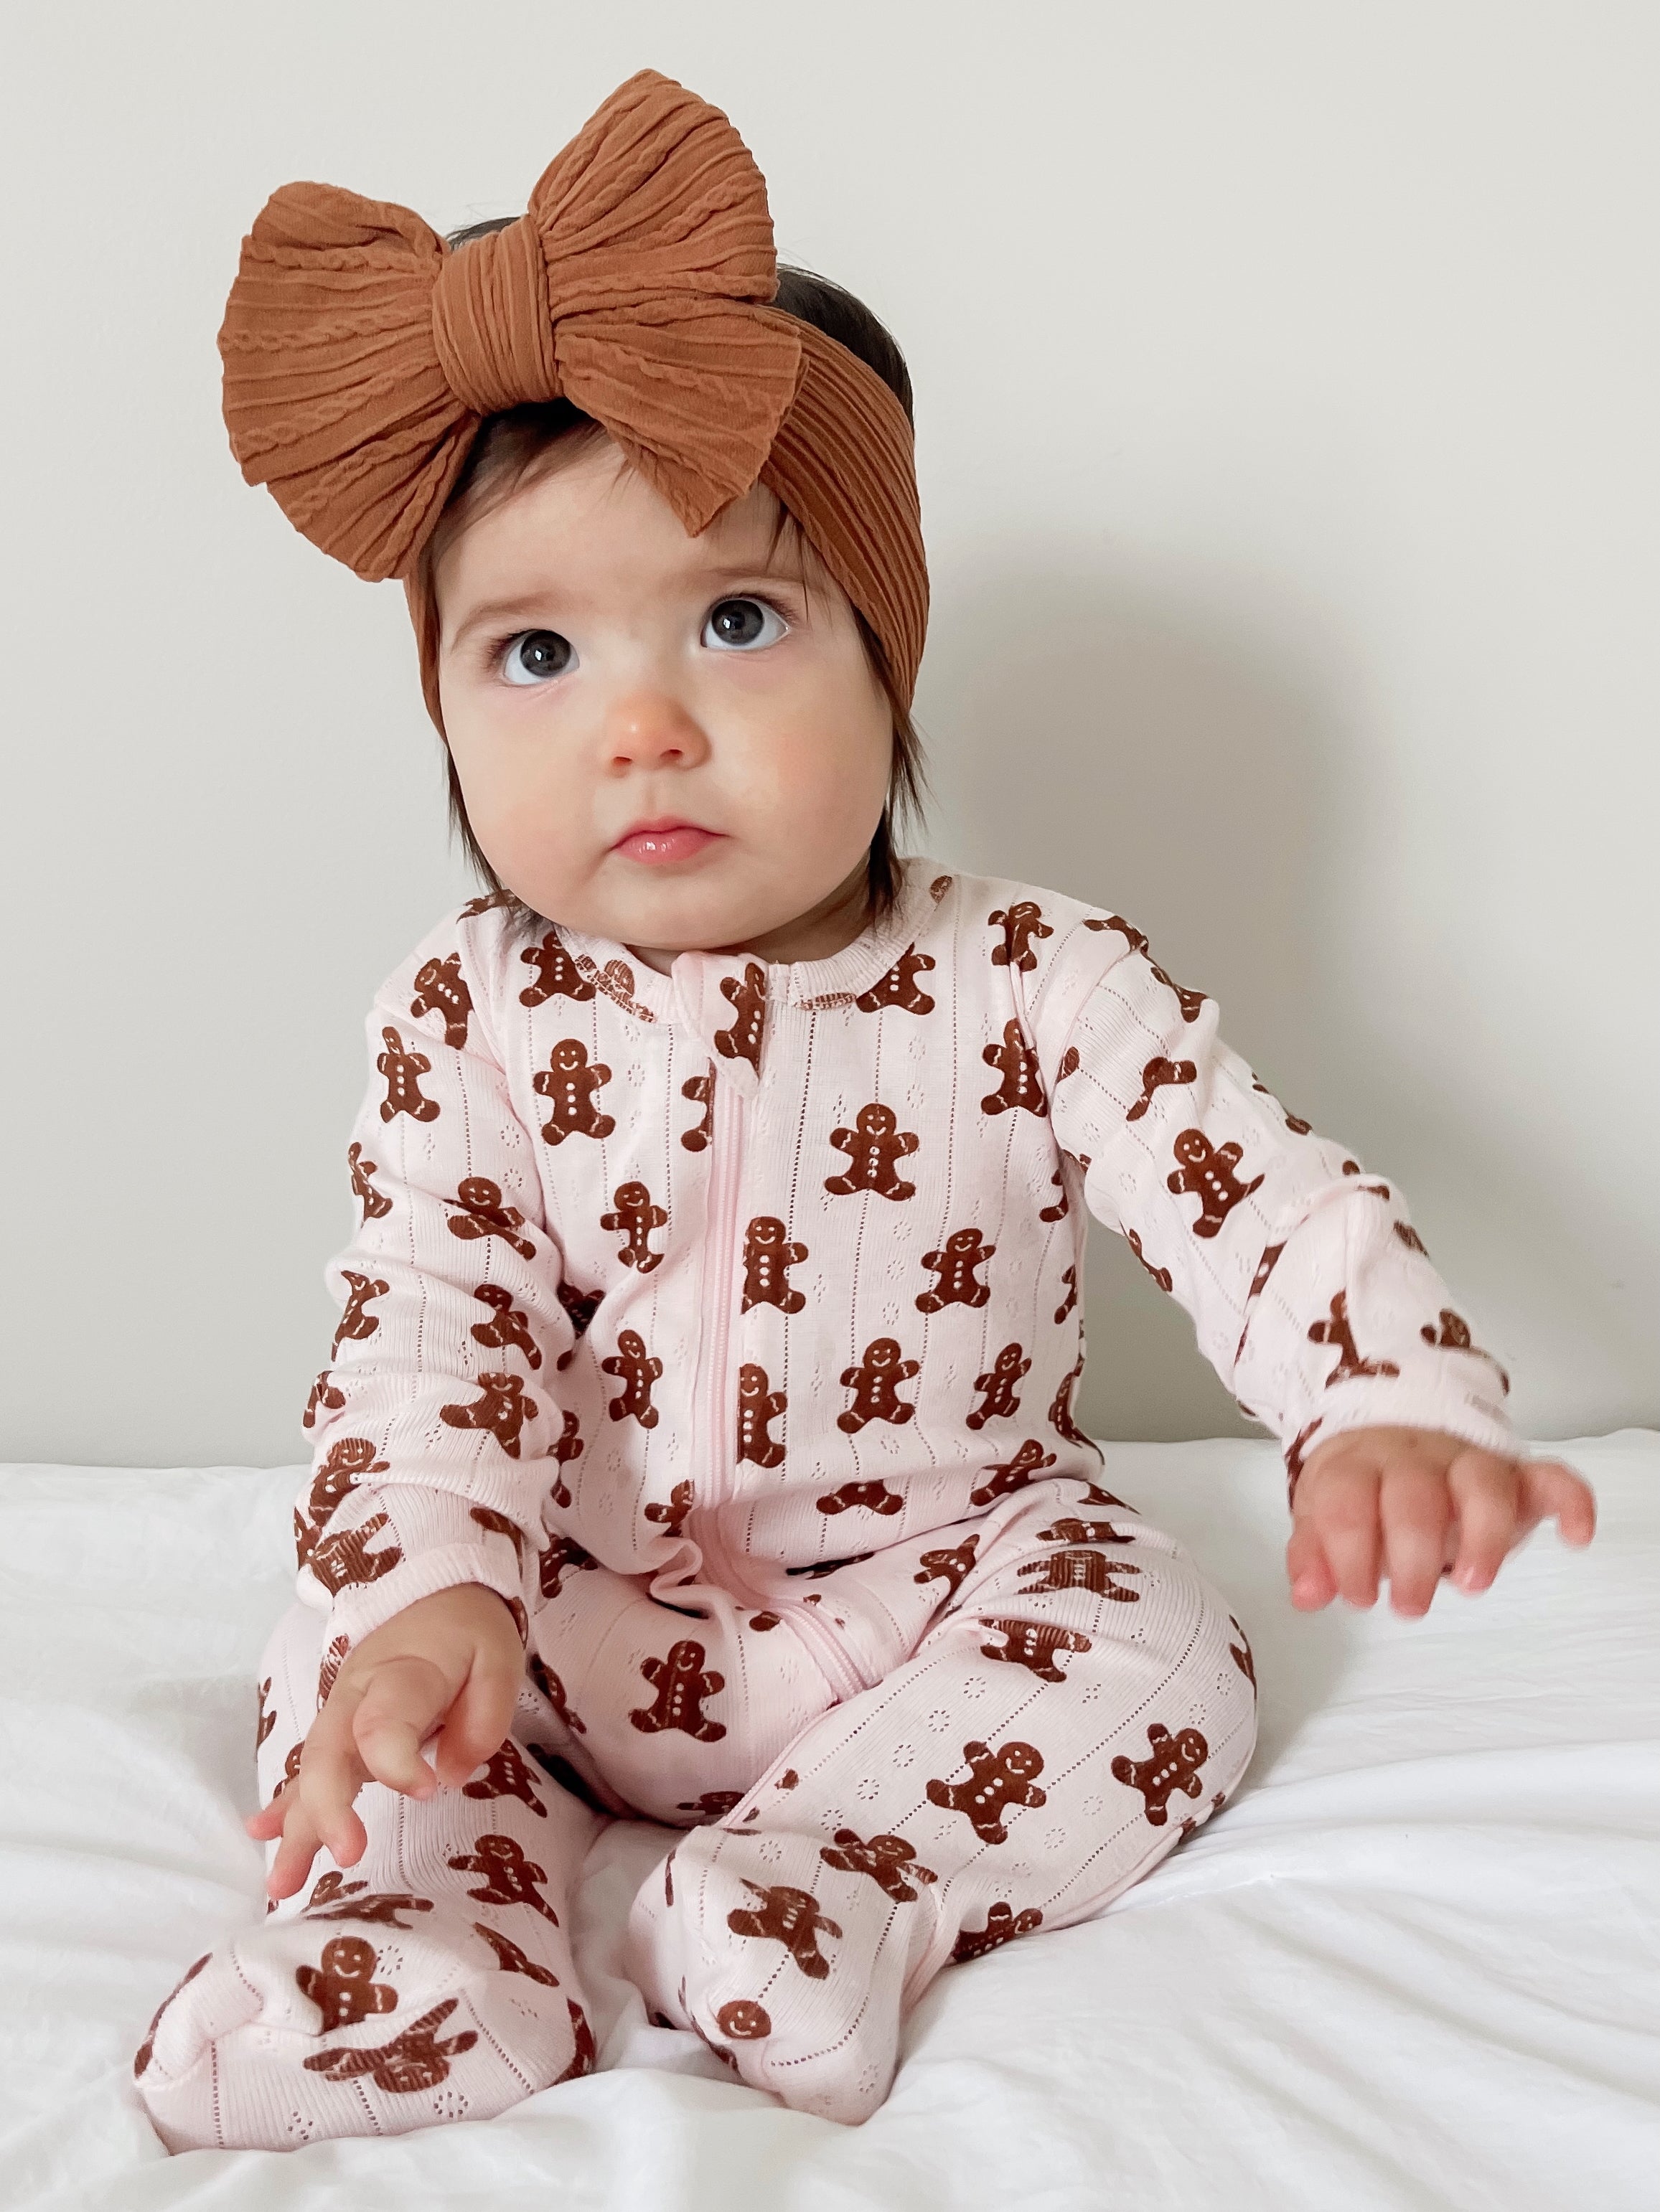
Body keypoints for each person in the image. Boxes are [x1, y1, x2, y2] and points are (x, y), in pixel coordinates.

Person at [133, 69, 1595, 2150]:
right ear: (445, 712)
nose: (642, 722)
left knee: (1168, 1640)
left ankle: (821, 1889)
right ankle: (433, 1940)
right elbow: (430, 1323)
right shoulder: (465, 1011)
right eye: (533, 651)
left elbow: (1243, 1183)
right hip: (563, 1617)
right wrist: (439, 1584)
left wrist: (1381, 1399)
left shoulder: (1029, 975)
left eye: (737, 619)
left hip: (937, 1594)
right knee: (349, 1645)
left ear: (885, 666)